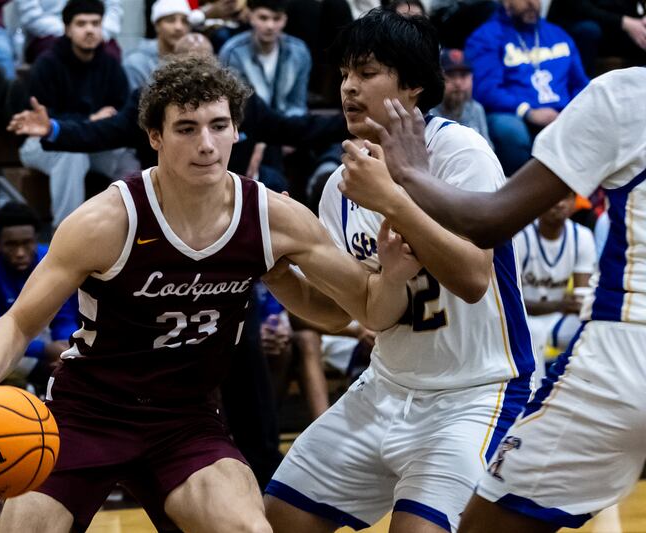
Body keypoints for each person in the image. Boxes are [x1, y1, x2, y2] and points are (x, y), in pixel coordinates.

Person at [0, 55, 412, 533]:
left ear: (236, 131)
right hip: (87, 413)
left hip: (184, 419)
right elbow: (19, 321)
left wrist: (291, 274)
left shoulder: (272, 217)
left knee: (248, 531)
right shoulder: (106, 220)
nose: (205, 144)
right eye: (186, 128)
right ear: (155, 137)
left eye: (218, 125)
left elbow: (342, 314)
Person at [336, 65, 646, 533]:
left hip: (623, 353)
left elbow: (489, 222)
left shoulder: (626, 93)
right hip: (398, 377)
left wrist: (407, 174)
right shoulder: (335, 190)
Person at [264, 10, 533, 533]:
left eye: (366, 72)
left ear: (412, 86)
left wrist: (394, 199)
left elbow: (473, 279)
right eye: (345, 74)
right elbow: (346, 309)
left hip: (475, 395)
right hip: (384, 387)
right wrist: (278, 275)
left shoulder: (460, 152)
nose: (348, 87)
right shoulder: (339, 187)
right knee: (275, 521)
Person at [6, 33, 348, 177]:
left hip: (228, 197)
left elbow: (299, 129)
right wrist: (52, 128)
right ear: (170, 65)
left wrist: (356, 120)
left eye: (205, 61)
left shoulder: (242, 101)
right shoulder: (149, 101)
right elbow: (102, 133)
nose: (198, 71)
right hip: (167, 198)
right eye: (189, 62)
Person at [18, 0, 136, 227]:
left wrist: (100, 125)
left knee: (127, 154)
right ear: (67, 29)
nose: (90, 29)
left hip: (95, 142)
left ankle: (131, 231)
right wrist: (89, 121)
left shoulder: (111, 66)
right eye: (81, 24)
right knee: (72, 152)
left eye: (95, 23)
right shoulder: (47, 64)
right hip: (41, 144)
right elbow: (41, 121)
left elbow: (123, 115)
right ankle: (66, 234)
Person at [465, 0, 588, 175]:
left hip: (562, 113)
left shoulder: (557, 34)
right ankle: (516, 196)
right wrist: (527, 111)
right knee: (510, 131)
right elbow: (486, 89)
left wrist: (574, 112)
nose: (531, 3)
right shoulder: (487, 37)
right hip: (516, 114)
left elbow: (580, 83)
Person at [0, 202, 78, 389]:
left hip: (41, 339)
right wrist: (45, 350)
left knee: (72, 370)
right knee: (32, 374)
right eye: (11, 245)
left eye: (27, 243)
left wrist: (65, 347)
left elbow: (63, 314)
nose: (20, 253)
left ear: (36, 239)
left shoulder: (48, 260)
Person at [513, 193, 595, 382]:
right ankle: (533, 400)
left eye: (566, 198)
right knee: (531, 333)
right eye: (553, 197)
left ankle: (581, 391)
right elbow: (510, 303)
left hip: (557, 320)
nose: (558, 203)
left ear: (574, 203)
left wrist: (565, 306)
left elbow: (580, 301)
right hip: (522, 319)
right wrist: (558, 305)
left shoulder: (582, 237)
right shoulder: (520, 236)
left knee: (593, 332)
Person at [219, 0, 312, 118]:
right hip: (250, 126)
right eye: (263, 18)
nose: (270, 26)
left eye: (276, 19)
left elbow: (297, 103)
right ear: (250, 17)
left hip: (288, 126)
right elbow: (236, 105)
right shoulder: (233, 52)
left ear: (285, 20)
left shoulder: (299, 51)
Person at [548, 0, 646, 75]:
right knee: (590, 30)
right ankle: (581, 86)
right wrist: (624, 22)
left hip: (614, 25)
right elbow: (581, 8)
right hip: (575, 26)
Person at [15, 0, 123, 63]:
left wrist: (99, 32)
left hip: (96, 31)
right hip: (48, 34)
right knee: (52, 57)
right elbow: (30, 15)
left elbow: (114, 10)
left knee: (110, 54)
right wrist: (73, 31)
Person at [430, 48, 492, 147]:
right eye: (450, 75)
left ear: (472, 78)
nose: (458, 83)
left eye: (463, 75)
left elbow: (488, 149)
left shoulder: (476, 109)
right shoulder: (429, 111)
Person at [123, 0, 191, 91]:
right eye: (170, 20)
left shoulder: (193, 56)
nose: (179, 27)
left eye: (185, 21)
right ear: (156, 25)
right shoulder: (137, 62)